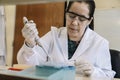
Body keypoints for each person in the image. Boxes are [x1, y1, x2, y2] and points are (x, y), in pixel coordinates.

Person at [17, 0, 115, 78]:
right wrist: (29, 43)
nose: (74, 23)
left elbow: (108, 76)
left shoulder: (100, 43)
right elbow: (27, 65)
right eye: (71, 16)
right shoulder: (53, 35)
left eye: (81, 19)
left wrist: (94, 72)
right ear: (66, 14)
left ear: (89, 21)